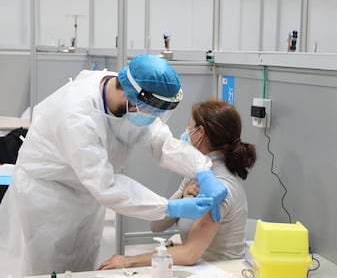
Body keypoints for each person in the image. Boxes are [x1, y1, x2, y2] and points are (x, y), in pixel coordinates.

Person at [0, 55, 227, 276]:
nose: (152, 118)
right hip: (47, 199)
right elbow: (106, 185)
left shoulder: (128, 94)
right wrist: (168, 207)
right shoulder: (76, 117)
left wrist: (203, 170)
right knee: (46, 269)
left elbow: (162, 142)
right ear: (131, 98)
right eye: (152, 111)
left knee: (83, 266)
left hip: (86, 196)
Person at [97, 99, 256, 269]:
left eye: (189, 126)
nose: (186, 132)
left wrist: (127, 261)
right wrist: (181, 197)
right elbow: (156, 225)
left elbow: (189, 254)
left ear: (199, 133)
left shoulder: (219, 188)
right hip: (198, 269)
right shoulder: (198, 175)